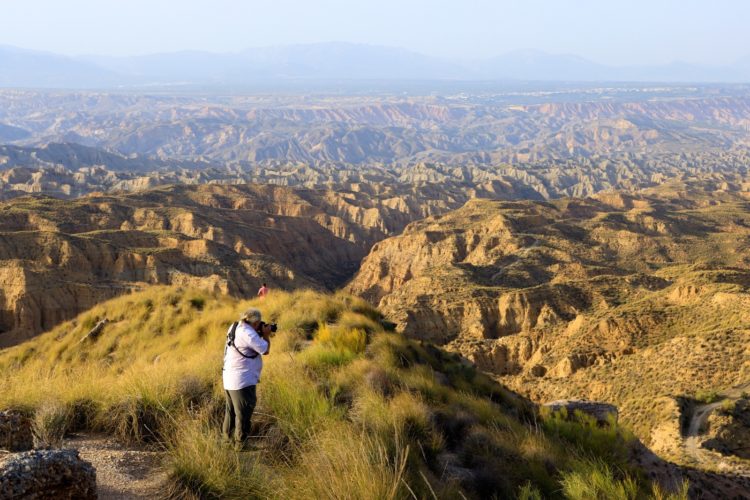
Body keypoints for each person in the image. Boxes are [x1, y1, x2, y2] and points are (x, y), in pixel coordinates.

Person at [222, 307, 271, 448]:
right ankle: (241, 444)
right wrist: (266, 335)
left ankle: (226, 441)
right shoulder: (249, 334)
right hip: (242, 379)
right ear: (255, 323)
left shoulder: (235, 326)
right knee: (244, 412)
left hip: (230, 376)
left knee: (230, 412)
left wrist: (258, 332)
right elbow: (265, 349)